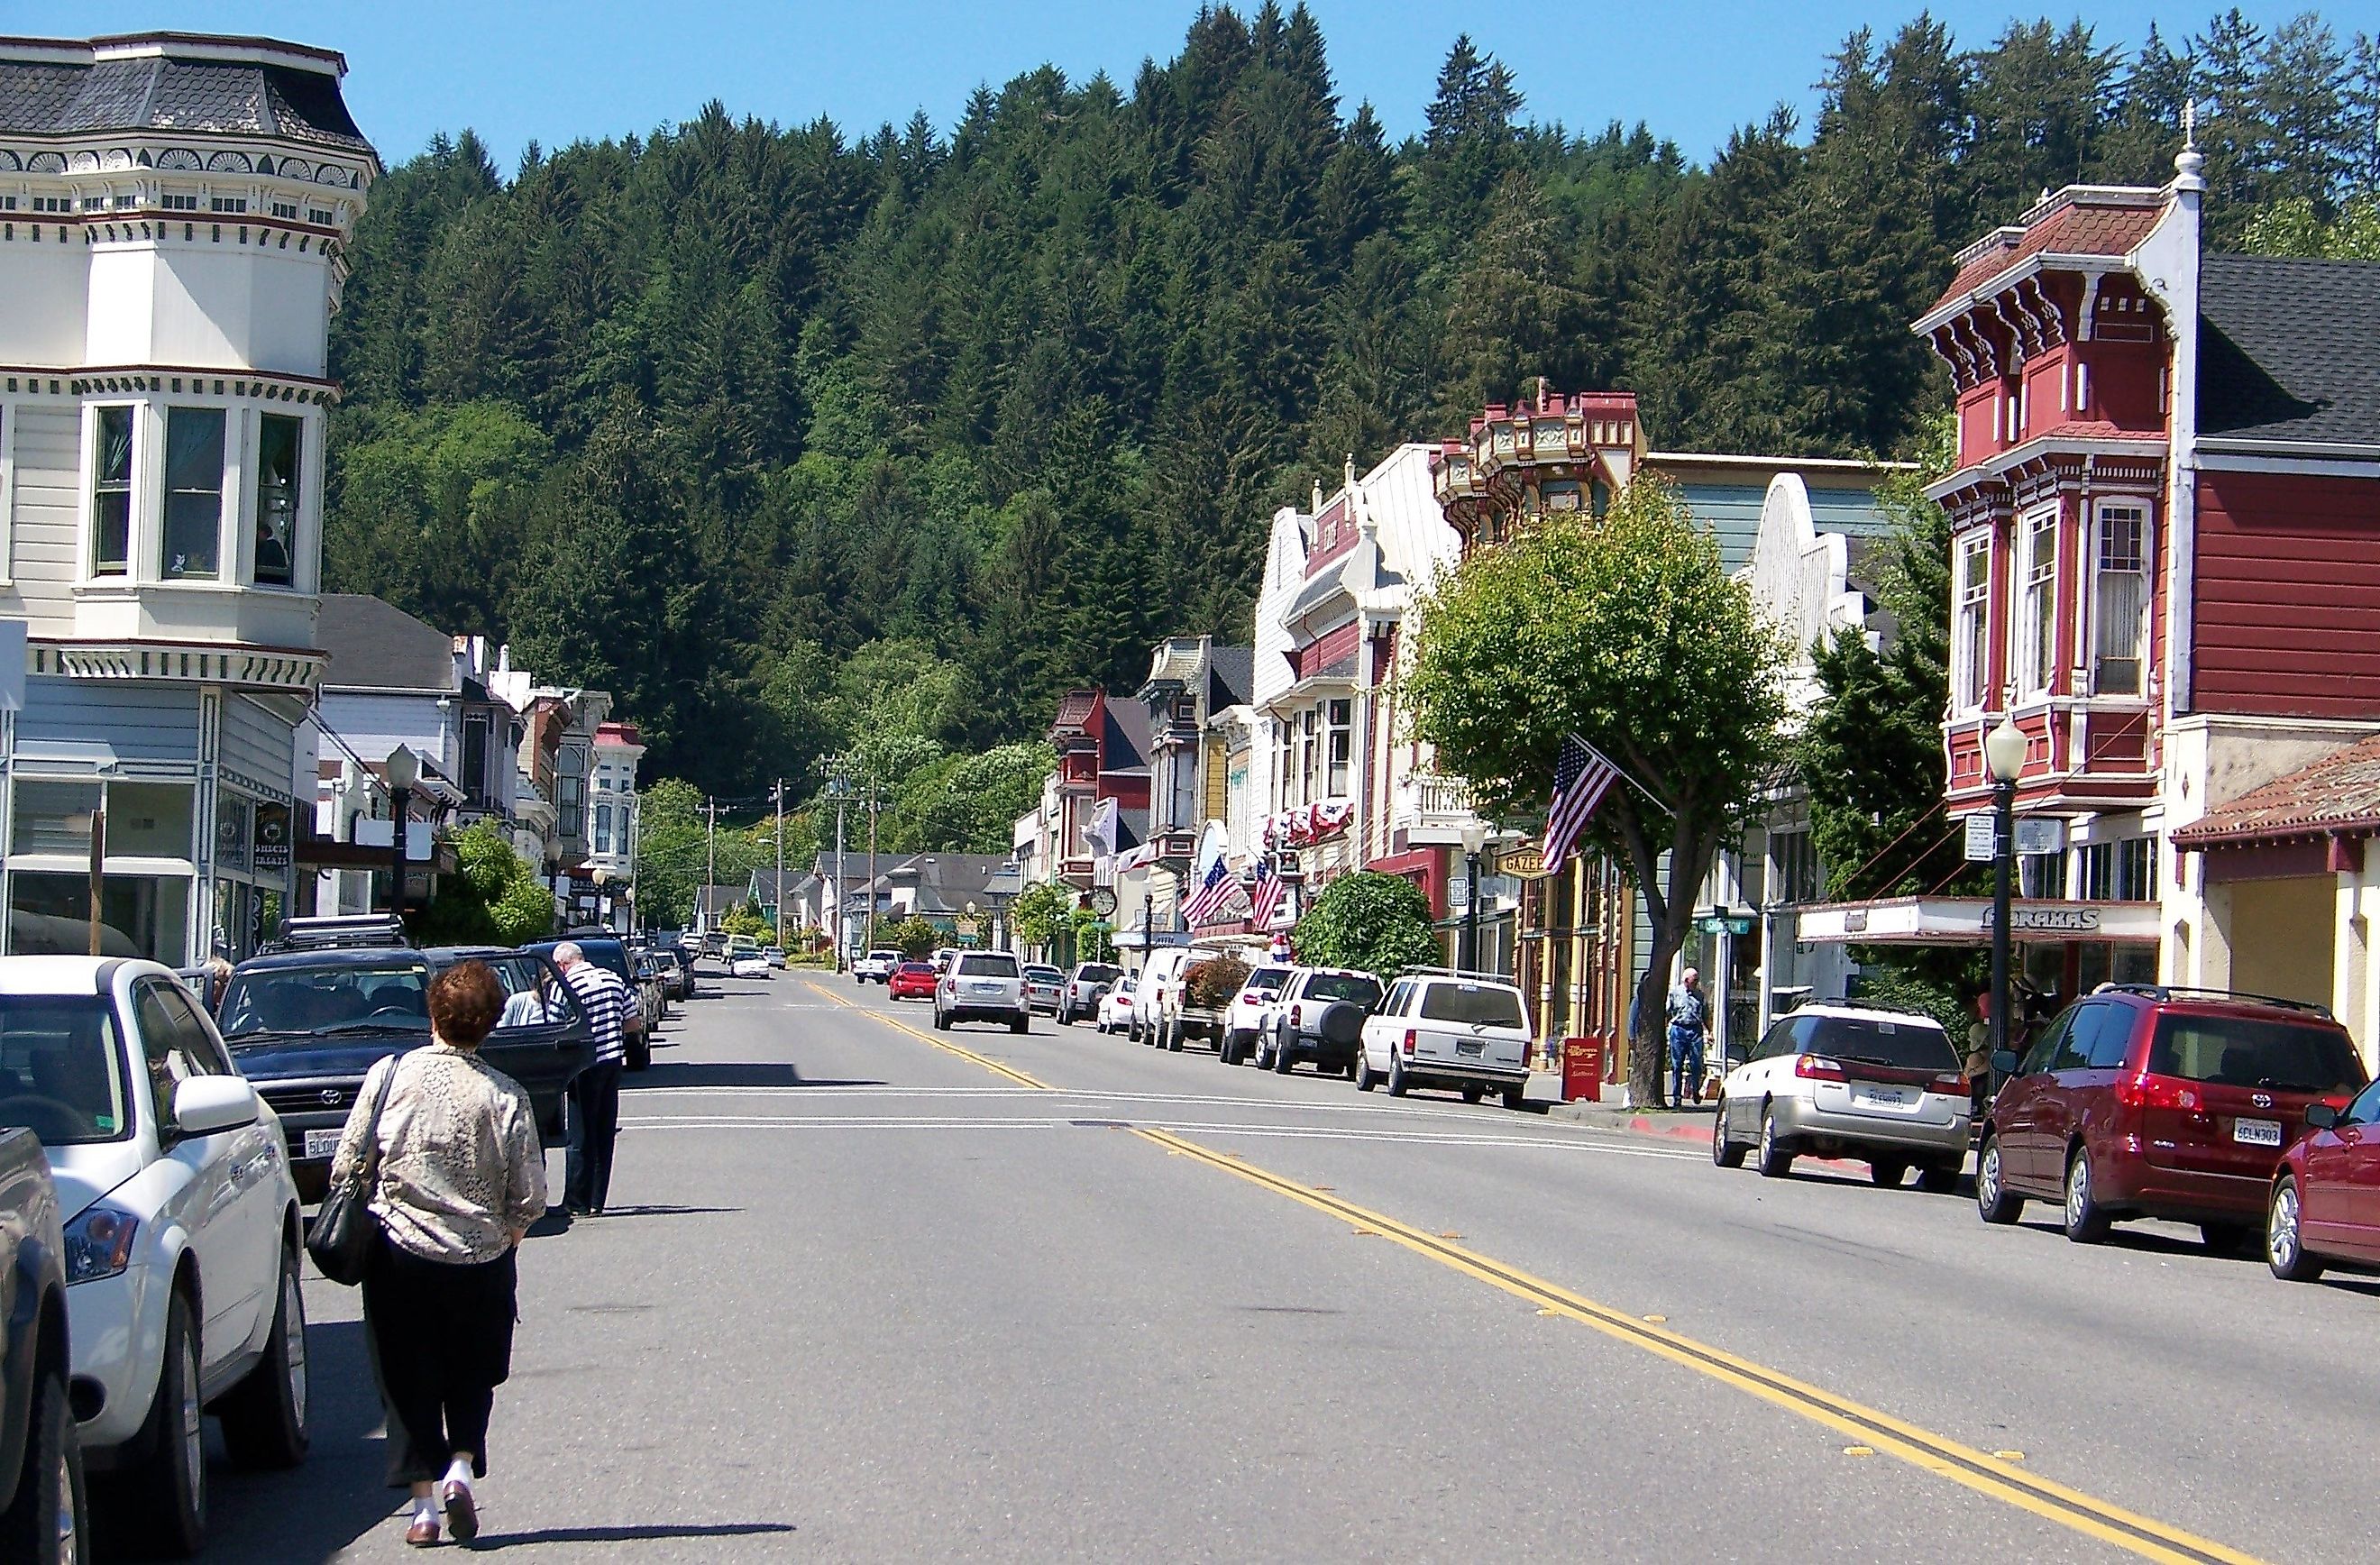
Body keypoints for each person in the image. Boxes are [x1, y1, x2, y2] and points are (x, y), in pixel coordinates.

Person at [330, 960, 545, 1549]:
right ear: (491, 1025)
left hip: (399, 1254)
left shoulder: (389, 1076)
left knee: (407, 1379)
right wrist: (505, 1237)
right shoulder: (506, 1096)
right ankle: (460, 1469)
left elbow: (347, 1162)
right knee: (472, 1374)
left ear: (433, 1014)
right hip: (480, 1260)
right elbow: (530, 1196)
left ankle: (423, 1510)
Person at [554, 941, 633, 1217]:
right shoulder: (613, 979)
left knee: (579, 1134)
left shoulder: (565, 985)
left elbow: (556, 1025)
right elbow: (633, 1022)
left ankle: (576, 1201)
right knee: (603, 1131)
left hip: (582, 1064)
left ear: (563, 965)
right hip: (612, 1062)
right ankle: (597, 1200)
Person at [1666, 968, 1711, 1109]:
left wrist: (1710, 1031)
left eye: (1697, 980)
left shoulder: (1700, 995)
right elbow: (1668, 1012)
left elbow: (1705, 1014)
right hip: (1679, 1029)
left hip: (1695, 1029)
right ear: (1686, 981)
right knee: (1677, 1065)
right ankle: (1677, 1097)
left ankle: (1695, 1090)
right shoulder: (1675, 993)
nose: (1696, 983)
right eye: (1694, 980)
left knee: (1696, 1063)